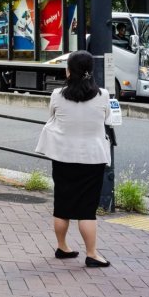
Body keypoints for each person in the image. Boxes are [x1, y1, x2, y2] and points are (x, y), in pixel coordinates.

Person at [35, 50, 113, 268]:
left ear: (69, 71)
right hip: (93, 158)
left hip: (63, 156)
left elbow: (52, 117)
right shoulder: (103, 95)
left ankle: (62, 247)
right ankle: (92, 254)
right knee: (87, 209)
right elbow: (107, 118)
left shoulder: (57, 95)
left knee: (62, 204)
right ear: (91, 71)